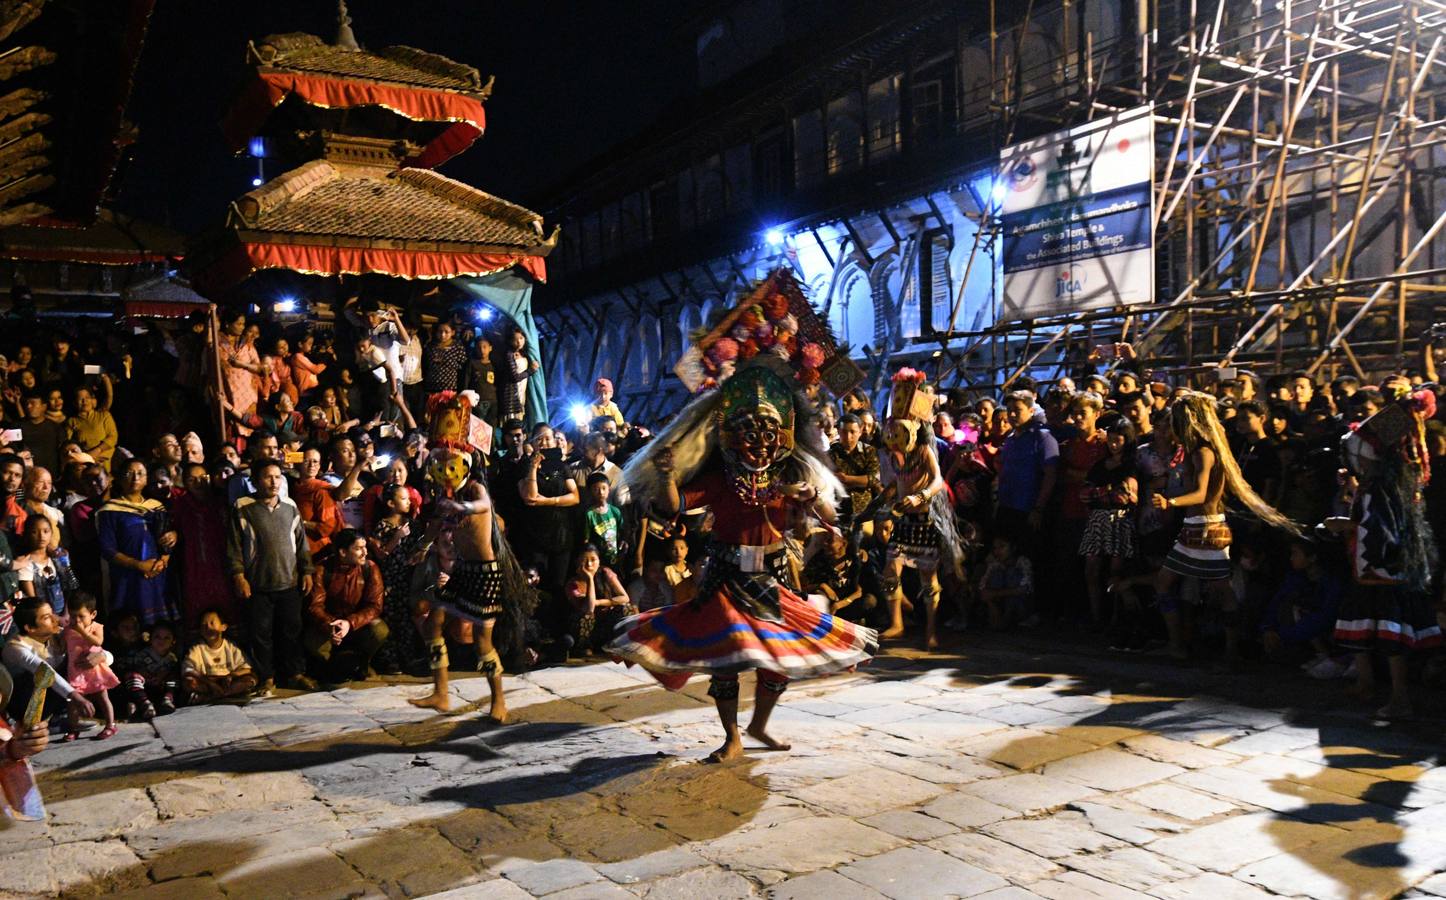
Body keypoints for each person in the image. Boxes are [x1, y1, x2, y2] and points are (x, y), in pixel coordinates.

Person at [607, 360, 876, 763]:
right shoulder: (720, 478)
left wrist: (809, 499)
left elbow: (829, 516)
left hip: (774, 576)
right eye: (749, 431)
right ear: (729, 435)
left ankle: (759, 726)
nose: (759, 441)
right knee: (727, 660)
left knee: (778, 661)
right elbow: (675, 505)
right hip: (726, 579)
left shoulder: (791, 475)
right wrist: (665, 476)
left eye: (768, 432)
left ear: (783, 434)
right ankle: (732, 737)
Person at [409, 392, 537, 721]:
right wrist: (421, 547)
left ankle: (499, 702)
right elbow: (435, 526)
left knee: (483, 642)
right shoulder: (444, 495)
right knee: (434, 623)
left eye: (449, 464)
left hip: (487, 574)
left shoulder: (475, 489)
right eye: (439, 465)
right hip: (464, 571)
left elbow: (483, 507)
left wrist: (460, 507)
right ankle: (441, 693)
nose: (444, 470)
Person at [1149, 392, 1297, 662]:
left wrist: (1170, 501)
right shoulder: (1198, 450)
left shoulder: (1204, 452)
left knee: (1222, 592)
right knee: (1168, 583)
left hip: (1207, 528)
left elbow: (1203, 494)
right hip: (1195, 527)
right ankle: (1180, 645)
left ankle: (1228, 652)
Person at [1330, 391, 1441, 719]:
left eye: (1358, 455)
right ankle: (1366, 683)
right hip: (1368, 570)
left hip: (1383, 571)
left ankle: (1400, 698)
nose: (1355, 461)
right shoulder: (1378, 484)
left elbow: (1381, 533)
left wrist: (1346, 528)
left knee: (1392, 637)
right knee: (1363, 625)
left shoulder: (1383, 487)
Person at [876, 372, 963, 649]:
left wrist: (920, 496)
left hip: (923, 521)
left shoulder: (925, 450)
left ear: (911, 431)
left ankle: (930, 630)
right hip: (902, 522)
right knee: (890, 569)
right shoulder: (895, 454)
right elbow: (894, 484)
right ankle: (897, 623)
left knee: (928, 579)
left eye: (898, 432)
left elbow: (938, 481)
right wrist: (879, 506)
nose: (893, 437)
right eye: (891, 432)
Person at [228, 460, 316, 694]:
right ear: (256, 481)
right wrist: (239, 576)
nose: (274, 482)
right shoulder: (243, 506)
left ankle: (295, 673)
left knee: (292, 630)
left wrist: (307, 571)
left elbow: (301, 542)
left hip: (289, 581)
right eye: (268, 477)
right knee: (261, 633)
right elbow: (234, 546)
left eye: (278, 477)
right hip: (258, 583)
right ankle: (266, 676)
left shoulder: (290, 506)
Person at [97, 459, 177, 627]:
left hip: (159, 574)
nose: (135, 478)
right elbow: (107, 549)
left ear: (147, 479)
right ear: (119, 479)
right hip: (128, 577)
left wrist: (166, 555)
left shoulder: (156, 508)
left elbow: (167, 539)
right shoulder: (110, 511)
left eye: (140, 474)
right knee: (131, 626)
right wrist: (138, 565)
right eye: (129, 474)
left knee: (161, 628)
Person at [305, 529, 388, 684]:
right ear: (343, 552)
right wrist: (330, 626)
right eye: (358, 549)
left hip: (356, 625)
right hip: (330, 624)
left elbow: (375, 606)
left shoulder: (369, 568)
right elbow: (315, 606)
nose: (364, 552)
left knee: (379, 630)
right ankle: (333, 667)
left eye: (365, 547)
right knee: (312, 642)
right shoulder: (322, 570)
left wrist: (350, 623)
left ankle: (362, 663)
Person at [1078, 417, 1139, 627]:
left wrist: (1100, 493)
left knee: (1116, 572)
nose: (1113, 445)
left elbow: (1126, 496)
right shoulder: (1099, 465)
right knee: (1091, 571)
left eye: (1118, 441)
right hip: (1097, 520)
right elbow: (1084, 495)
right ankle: (1096, 617)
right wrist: (1110, 491)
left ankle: (1117, 618)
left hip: (1119, 520)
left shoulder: (1132, 464)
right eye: (1110, 440)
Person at [2, 597, 96, 727]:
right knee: (40, 676)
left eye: (52, 613)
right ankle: (33, 723)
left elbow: (94, 648)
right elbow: (44, 670)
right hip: (23, 703)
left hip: (52, 695)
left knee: (82, 657)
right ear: (30, 628)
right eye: (46, 617)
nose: (55, 619)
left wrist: (101, 656)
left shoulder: (56, 634)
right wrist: (75, 696)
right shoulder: (16, 647)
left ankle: (64, 716)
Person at [171, 463, 237, 634]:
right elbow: (174, 529)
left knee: (226, 605)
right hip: (194, 565)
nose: (198, 482)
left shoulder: (221, 502)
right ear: (184, 483)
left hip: (220, 563)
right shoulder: (180, 505)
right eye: (192, 480)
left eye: (203, 478)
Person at [61, 593, 118, 740]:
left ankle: (110, 724)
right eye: (73, 616)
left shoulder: (96, 627)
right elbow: (62, 647)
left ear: (93, 614)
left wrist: (81, 631)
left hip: (95, 671)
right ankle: (73, 728)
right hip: (76, 672)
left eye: (81, 616)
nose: (77, 620)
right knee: (73, 702)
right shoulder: (68, 630)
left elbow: (98, 642)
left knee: (103, 697)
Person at [566, 544, 632, 654]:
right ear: (577, 562)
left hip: (605, 624)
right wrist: (590, 578)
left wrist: (601, 602)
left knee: (627, 608)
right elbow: (589, 608)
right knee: (587, 616)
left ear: (599, 561)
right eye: (584, 560)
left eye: (593, 560)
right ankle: (582, 647)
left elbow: (625, 598)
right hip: (586, 631)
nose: (589, 564)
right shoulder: (573, 584)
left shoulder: (606, 573)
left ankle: (619, 643)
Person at [182, 609, 257, 704]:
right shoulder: (197, 649)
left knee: (250, 680)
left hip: (228, 682)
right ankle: (222, 695)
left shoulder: (231, 646)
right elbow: (188, 670)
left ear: (223, 627)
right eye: (204, 625)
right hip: (207, 682)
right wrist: (210, 683)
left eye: (212, 623)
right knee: (188, 683)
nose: (208, 628)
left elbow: (247, 668)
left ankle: (216, 696)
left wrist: (231, 675)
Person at [119, 620, 179, 720]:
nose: (162, 640)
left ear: (173, 641)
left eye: (166, 638)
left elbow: (169, 671)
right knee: (132, 677)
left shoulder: (172, 658)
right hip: (144, 687)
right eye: (157, 637)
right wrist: (146, 675)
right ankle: (145, 704)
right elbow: (137, 667)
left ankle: (167, 700)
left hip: (160, 687)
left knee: (174, 678)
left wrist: (161, 677)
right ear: (150, 639)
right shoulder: (143, 654)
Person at [829, 413, 880, 528]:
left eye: (852, 432)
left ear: (860, 431)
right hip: (838, 511)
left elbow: (873, 479)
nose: (848, 437)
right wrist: (859, 480)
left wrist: (845, 479)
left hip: (864, 512)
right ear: (838, 431)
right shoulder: (831, 454)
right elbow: (829, 480)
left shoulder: (869, 452)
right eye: (844, 432)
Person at [978, 533, 1035, 629]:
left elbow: (1025, 588)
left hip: (1020, 606)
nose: (998, 551)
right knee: (996, 575)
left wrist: (996, 594)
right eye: (995, 548)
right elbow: (983, 588)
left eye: (1002, 546)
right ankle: (999, 620)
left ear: (1013, 548)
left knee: (1012, 573)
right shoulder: (994, 565)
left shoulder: (1022, 562)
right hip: (1001, 605)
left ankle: (1009, 620)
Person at [580, 472, 625, 569]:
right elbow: (586, 539)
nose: (601, 492)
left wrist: (622, 543)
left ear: (609, 489)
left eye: (604, 488)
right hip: (598, 558)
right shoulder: (590, 514)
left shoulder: (615, 511)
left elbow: (621, 531)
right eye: (596, 489)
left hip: (614, 556)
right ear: (590, 491)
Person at [65, 386, 118, 470]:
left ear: (92, 400)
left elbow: (113, 437)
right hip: (85, 463)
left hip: (105, 461)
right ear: (75, 403)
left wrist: (97, 451)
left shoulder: (104, 415)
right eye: (80, 398)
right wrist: (86, 457)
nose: (84, 401)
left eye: (87, 397)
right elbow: (68, 443)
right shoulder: (72, 421)